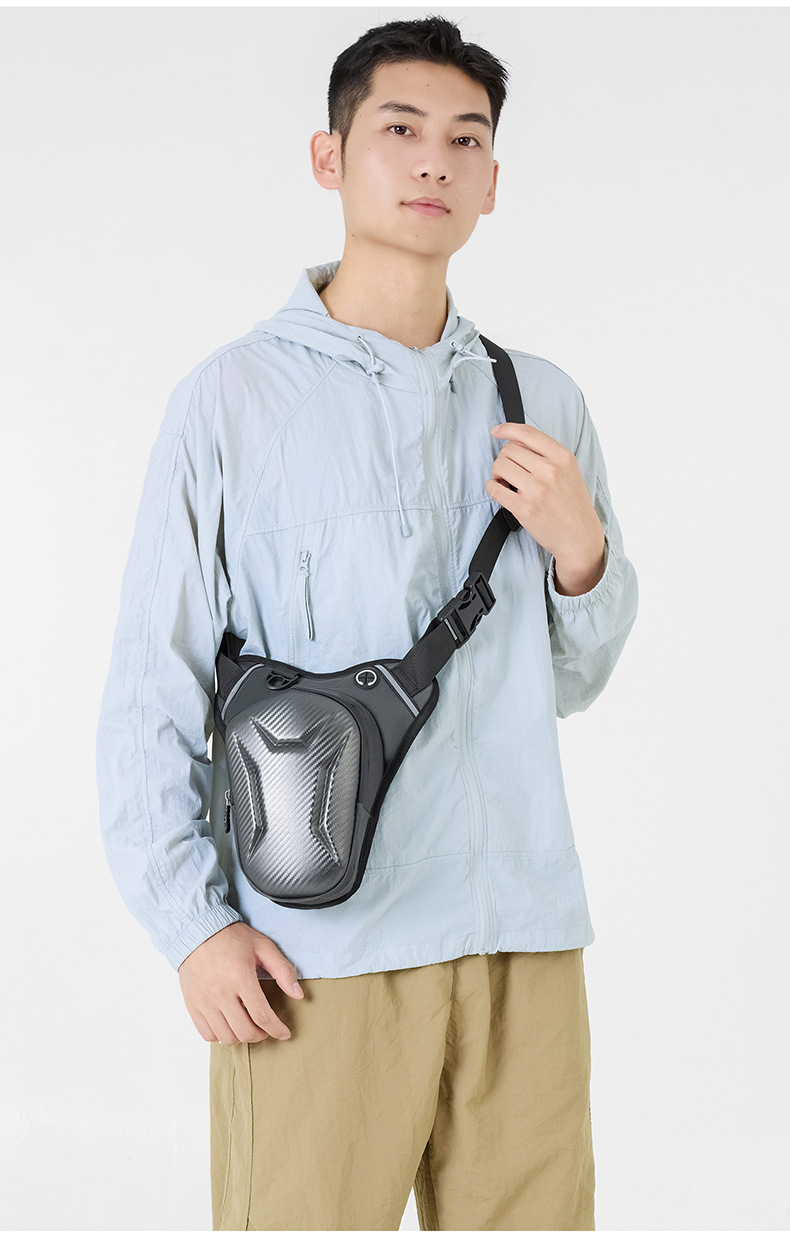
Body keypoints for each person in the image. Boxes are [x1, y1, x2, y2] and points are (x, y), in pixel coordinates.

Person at [96, 14, 638, 1232]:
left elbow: (572, 679)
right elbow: (150, 690)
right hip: (315, 954)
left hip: (520, 939)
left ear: (493, 181)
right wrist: (192, 928)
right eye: (400, 129)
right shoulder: (230, 402)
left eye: (466, 139)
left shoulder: (538, 402)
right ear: (329, 157)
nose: (435, 159)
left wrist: (580, 551)